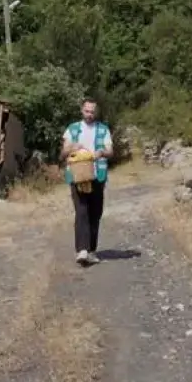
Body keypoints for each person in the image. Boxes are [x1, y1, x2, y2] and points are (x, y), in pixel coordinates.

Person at [61, 98, 112, 265]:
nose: (89, 114)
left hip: (98, 175)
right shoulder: (72, 129)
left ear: (96, 112)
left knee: (95, 214)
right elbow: (62, 154)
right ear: (81, 111)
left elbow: (111, 151)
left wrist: (101, 152)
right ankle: (82, 250)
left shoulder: (103, 129)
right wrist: (71, 148)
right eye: (87, 111)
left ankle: (91, 251)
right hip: (77, 175)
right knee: (81, 211)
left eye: (92, 112)